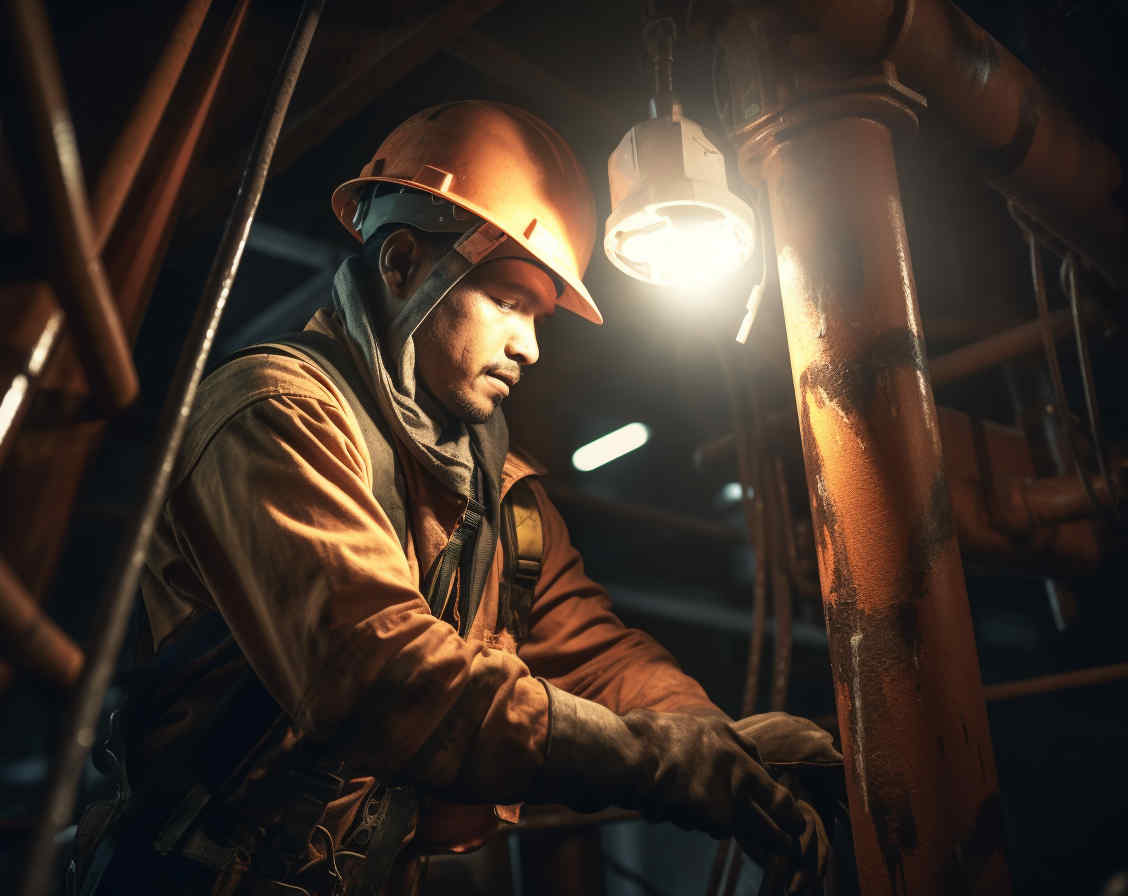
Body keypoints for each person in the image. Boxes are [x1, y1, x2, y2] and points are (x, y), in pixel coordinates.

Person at [79, 100, 839, 896]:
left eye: (542, 316)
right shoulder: (274, 415)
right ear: (403, 264)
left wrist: (721, 745)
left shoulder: (500, 492)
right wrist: (662, 763)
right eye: (510, 300)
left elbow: (595, 653)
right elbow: (379, 673)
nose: (531, 345)